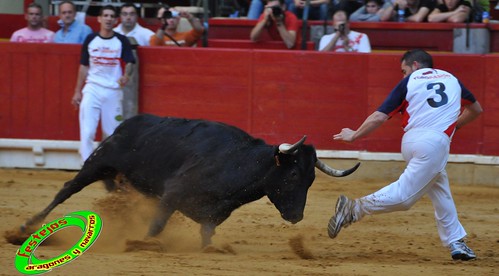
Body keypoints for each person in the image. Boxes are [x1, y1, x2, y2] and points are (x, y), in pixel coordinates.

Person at [328, 49, 483, 261]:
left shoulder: (409, 82)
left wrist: (355, 135)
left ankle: (456, 242)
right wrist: (453, 127)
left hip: (411, 141)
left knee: (439, 187)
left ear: (415, 65)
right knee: (405, 197)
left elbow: (378, 117)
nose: (403, 75)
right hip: (434, 143)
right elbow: (476, 110)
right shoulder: (452, 79)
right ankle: (354, 208)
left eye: (404, 70)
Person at [71, 5, 136, 162]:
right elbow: (84, 66)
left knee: (112, 131)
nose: (108, 18)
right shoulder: (90, 39)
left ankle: (112, 165)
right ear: (99, 19)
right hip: (92, 88)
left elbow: (130, 63)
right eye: (105, 15)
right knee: (87, 131)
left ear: (115, 20)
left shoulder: (121, 41)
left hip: (113, 91)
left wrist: (126, 75)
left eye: (111, 16)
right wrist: (77, 91)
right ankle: (86, 164)